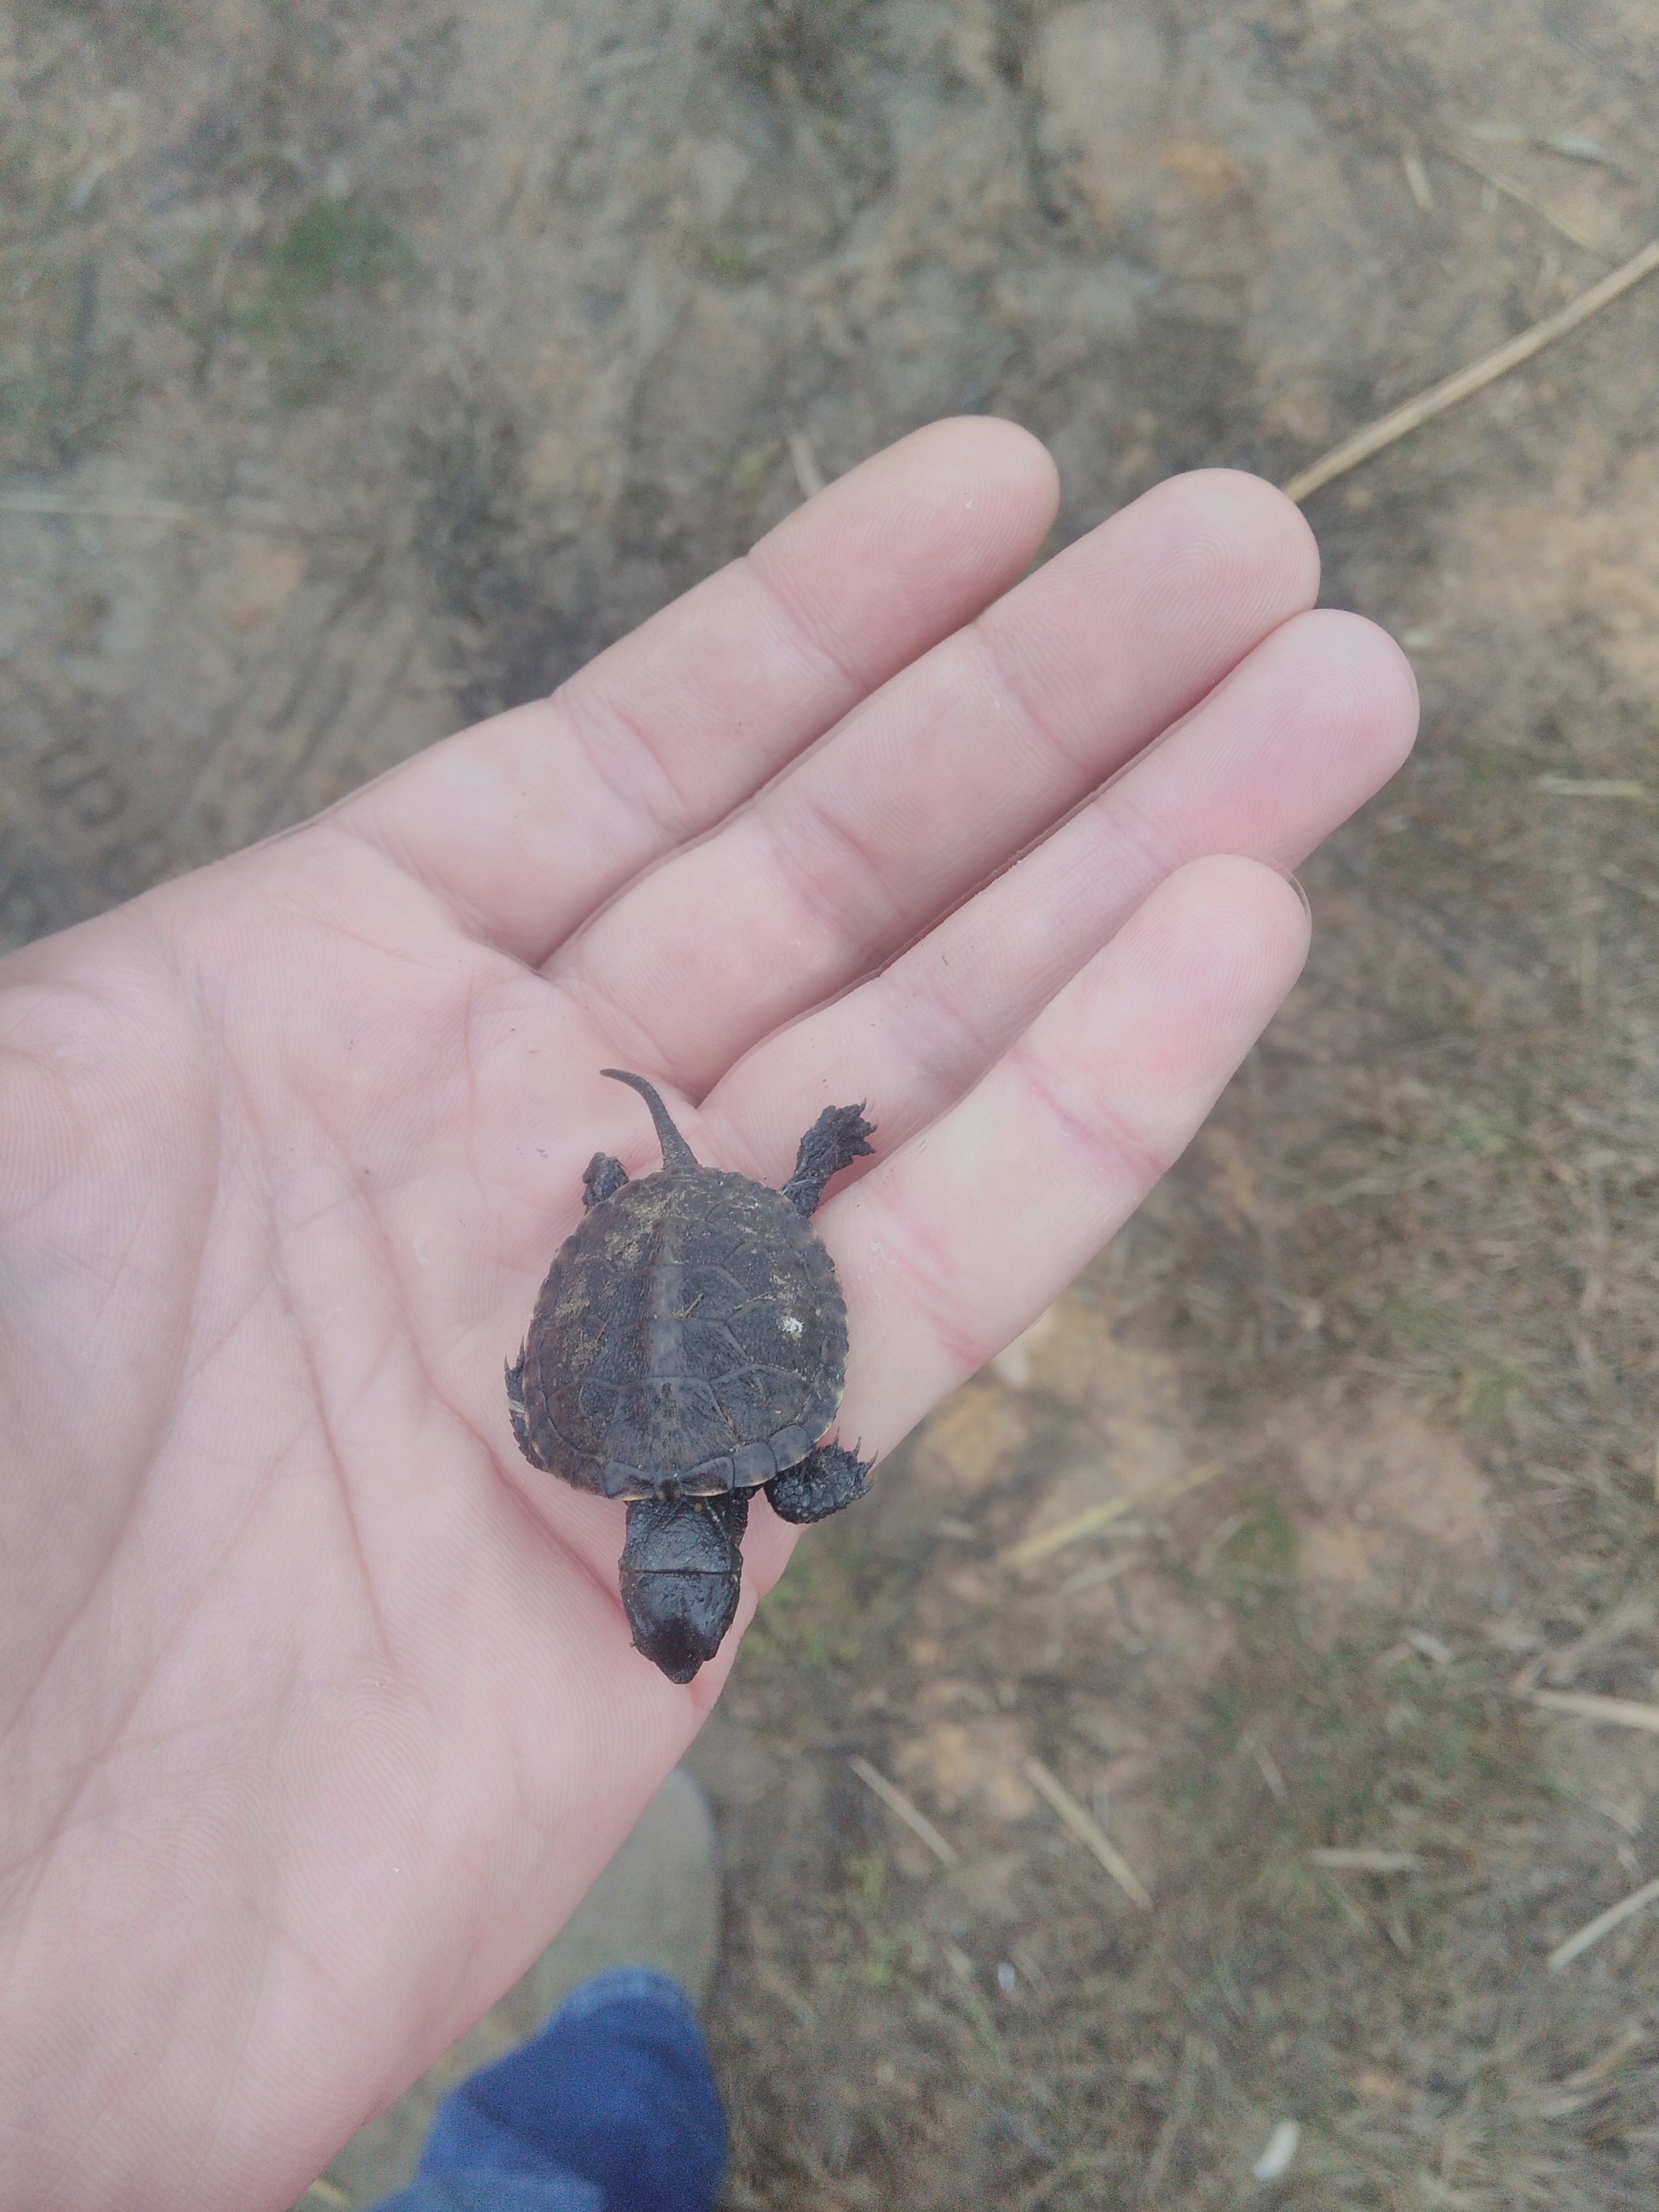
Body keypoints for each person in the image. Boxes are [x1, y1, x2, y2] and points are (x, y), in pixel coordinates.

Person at [0, 419, 1416, 2211]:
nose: (693, 1588)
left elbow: (647, 1405)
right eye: (701, 1591)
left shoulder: (634, 1447)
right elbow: (626, 1400)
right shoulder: (596, 1447)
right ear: (680, 1552)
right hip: (703, 1228)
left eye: (679, 1592)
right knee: (772, 1217)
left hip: (684, 1227)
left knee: (756, 1212)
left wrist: (737, 1358)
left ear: (662, 1556)